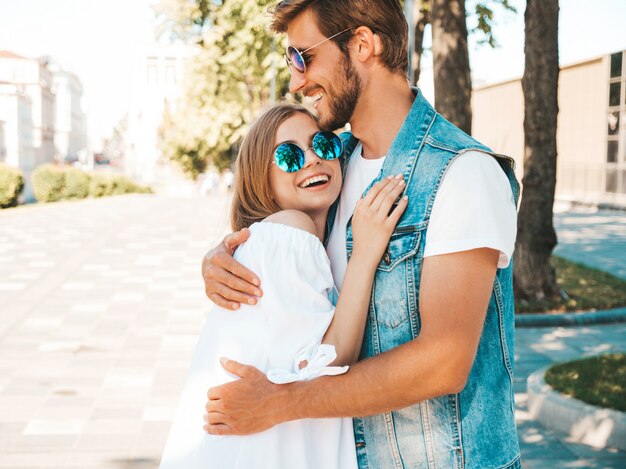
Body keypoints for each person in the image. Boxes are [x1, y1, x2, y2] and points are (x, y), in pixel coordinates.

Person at [201, 1, 522, 468]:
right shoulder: (331, 163)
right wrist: (222, 259)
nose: (296, 81)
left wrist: (283, 402)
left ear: (363, 44)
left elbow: (444, 361)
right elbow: (280, 249)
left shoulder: (463, 173)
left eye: (303, 57)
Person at [159, 102, 407, 468]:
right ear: (263, 180)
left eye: (322, 145)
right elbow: (330, 360)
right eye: (289, 156)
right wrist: (366, 254)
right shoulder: (291, 228)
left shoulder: (283, 238)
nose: (311, 160)